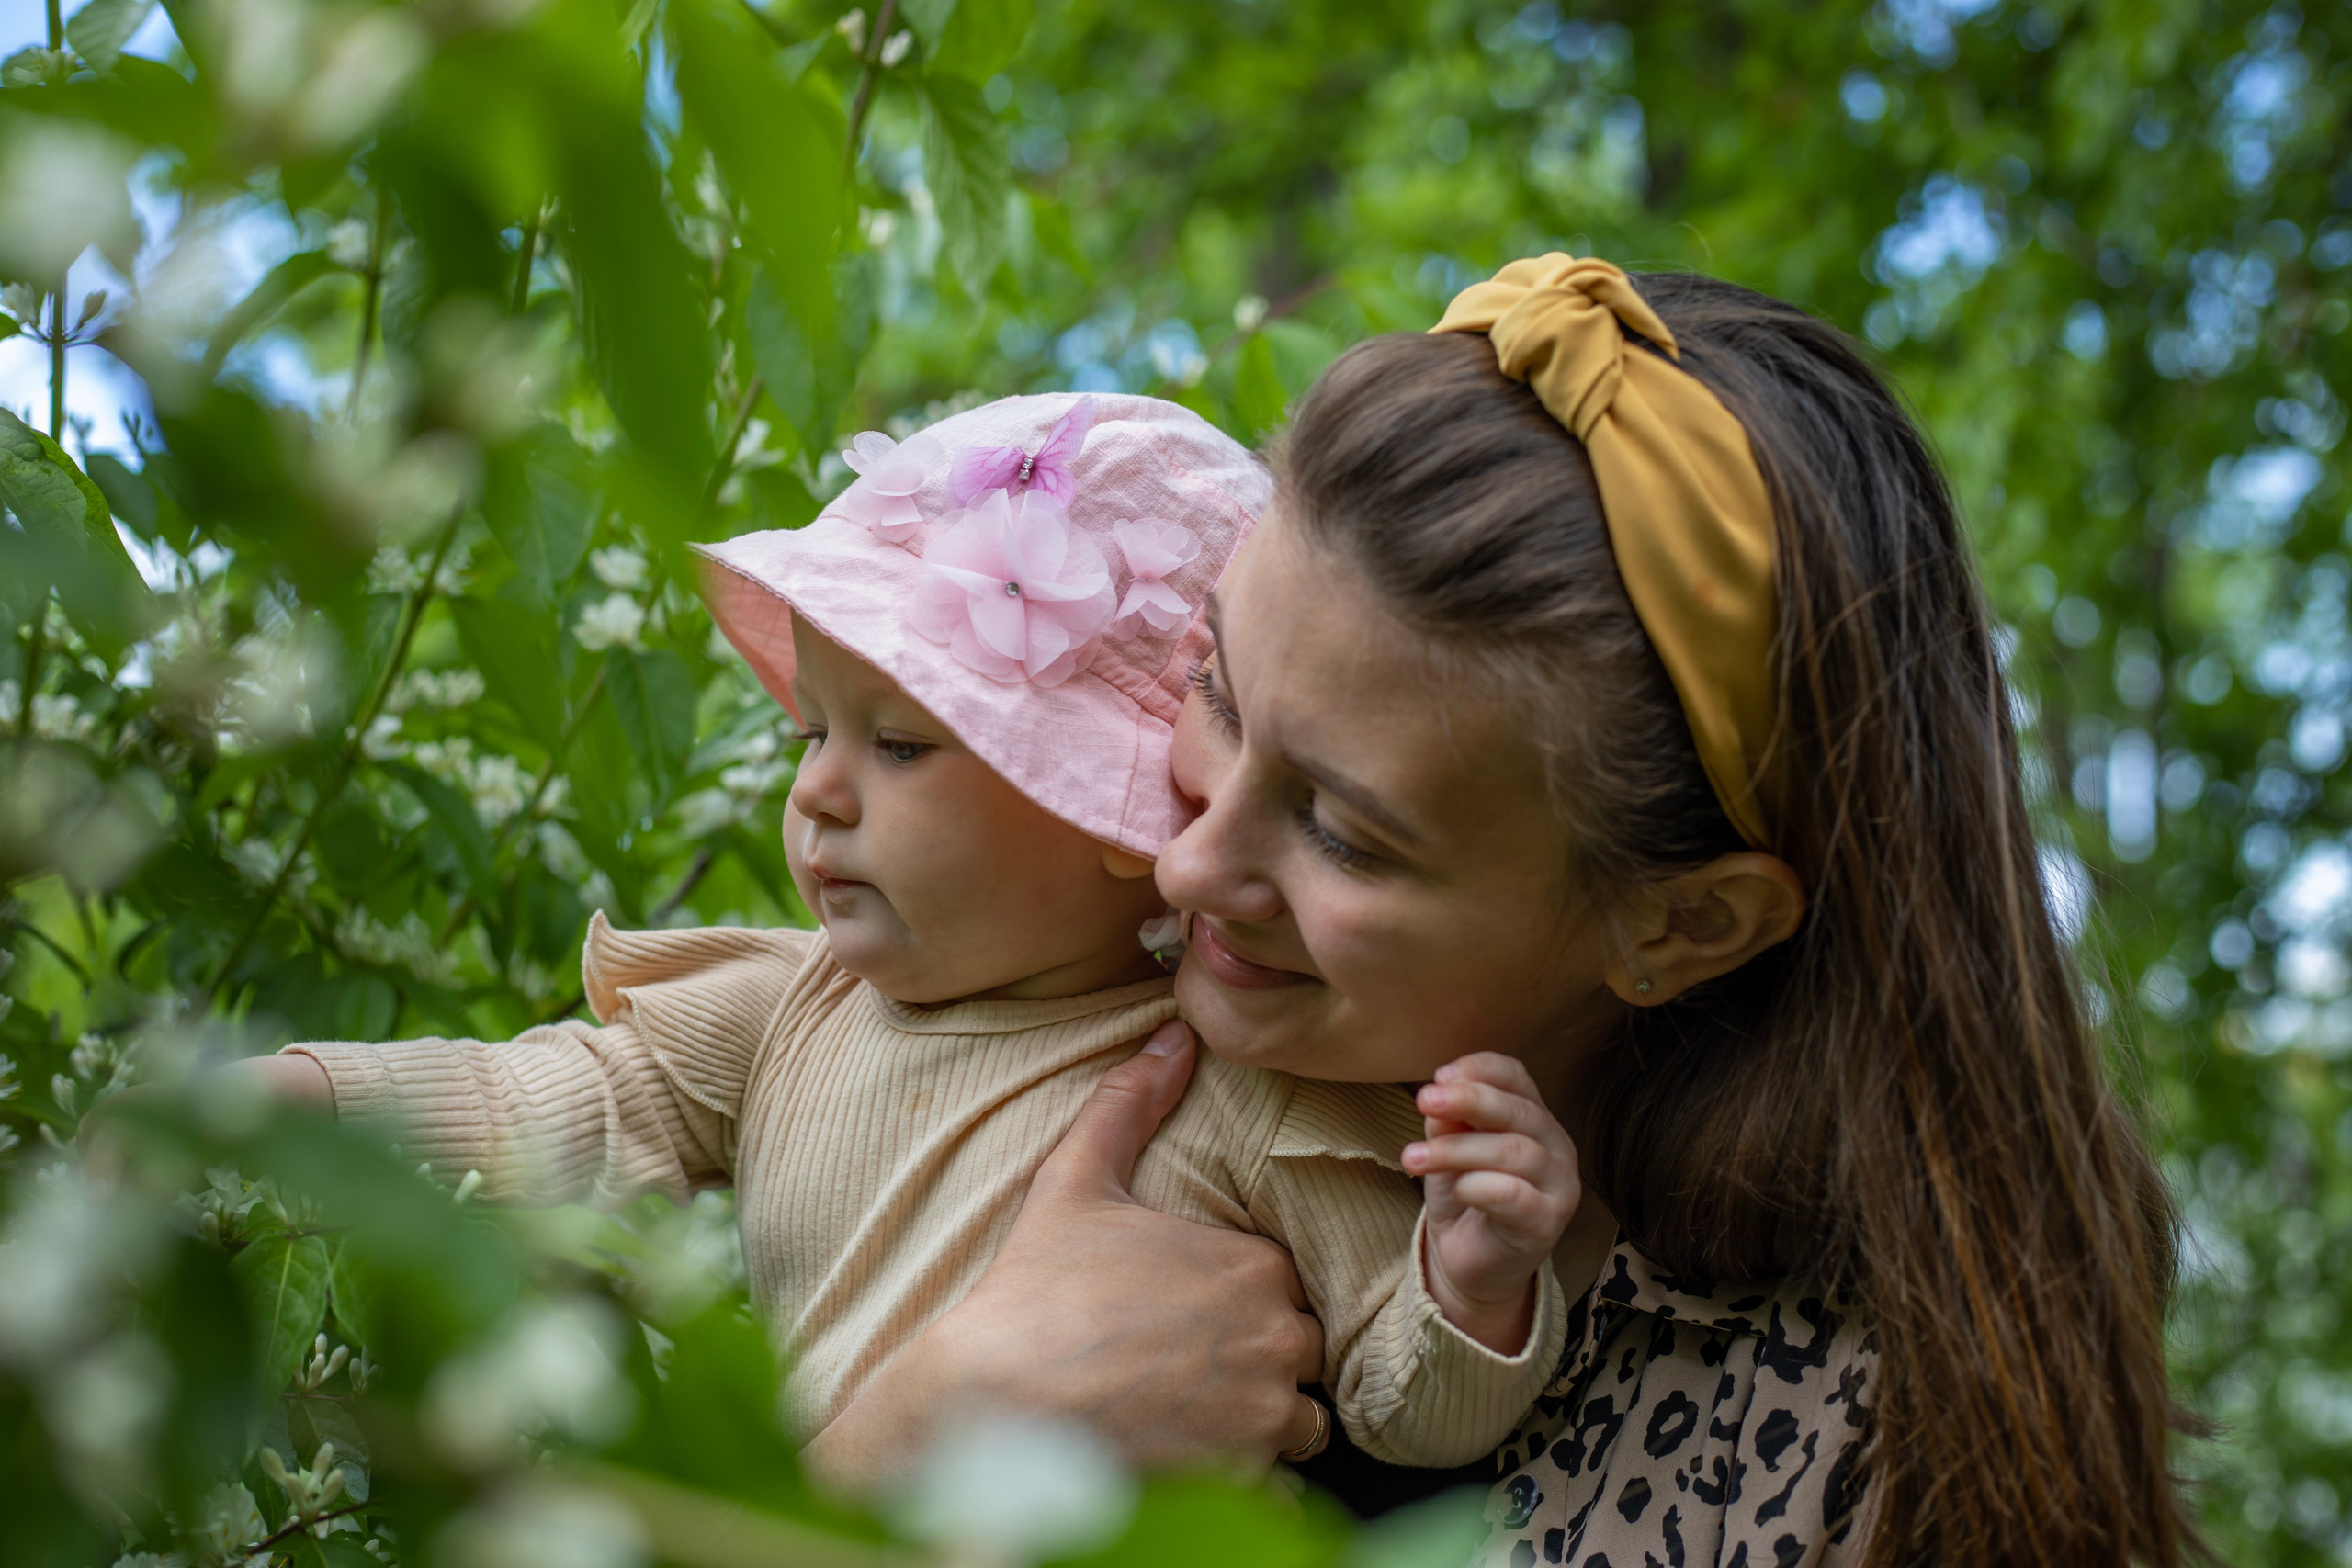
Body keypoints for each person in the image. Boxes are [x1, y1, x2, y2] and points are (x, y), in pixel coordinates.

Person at [809, 258, 2195, 1565]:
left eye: (1343, 832)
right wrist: (907, 1438)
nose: (1188, 867)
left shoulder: (1841, 1449)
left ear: (1681, 925)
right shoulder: (1005, 1004)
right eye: (1214, 693)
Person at [235, 391, 1586, 1472]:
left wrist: (1471, 1283)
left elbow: (1405, 1410)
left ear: (1116, 820)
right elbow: (554, 1101)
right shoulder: (794, 1005)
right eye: (811, 730)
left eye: (897, 745)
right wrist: (288, 1103)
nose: (818, 791)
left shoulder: (1239, 1093)